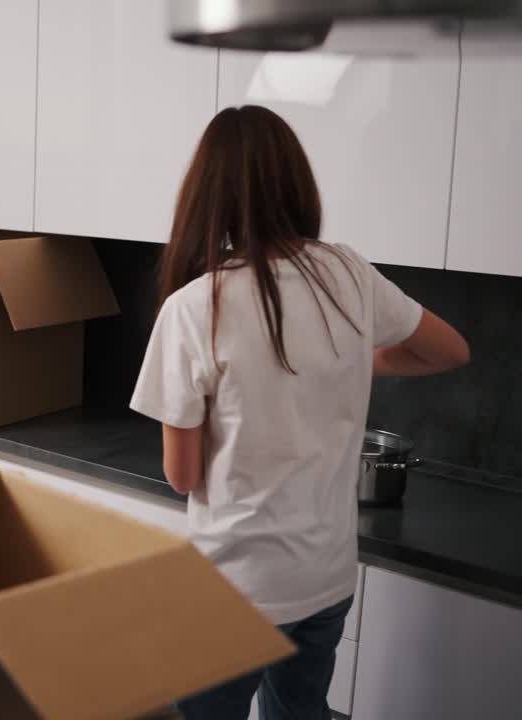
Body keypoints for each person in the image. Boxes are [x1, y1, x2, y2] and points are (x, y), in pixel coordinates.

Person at [130, 105, 469, 720]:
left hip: (233, 588)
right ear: (297, 183)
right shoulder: (349, 273)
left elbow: (182, 476)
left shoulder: (193, 308)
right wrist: (345, 361)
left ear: (206, 197)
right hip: (326, 579)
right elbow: (448, 349)